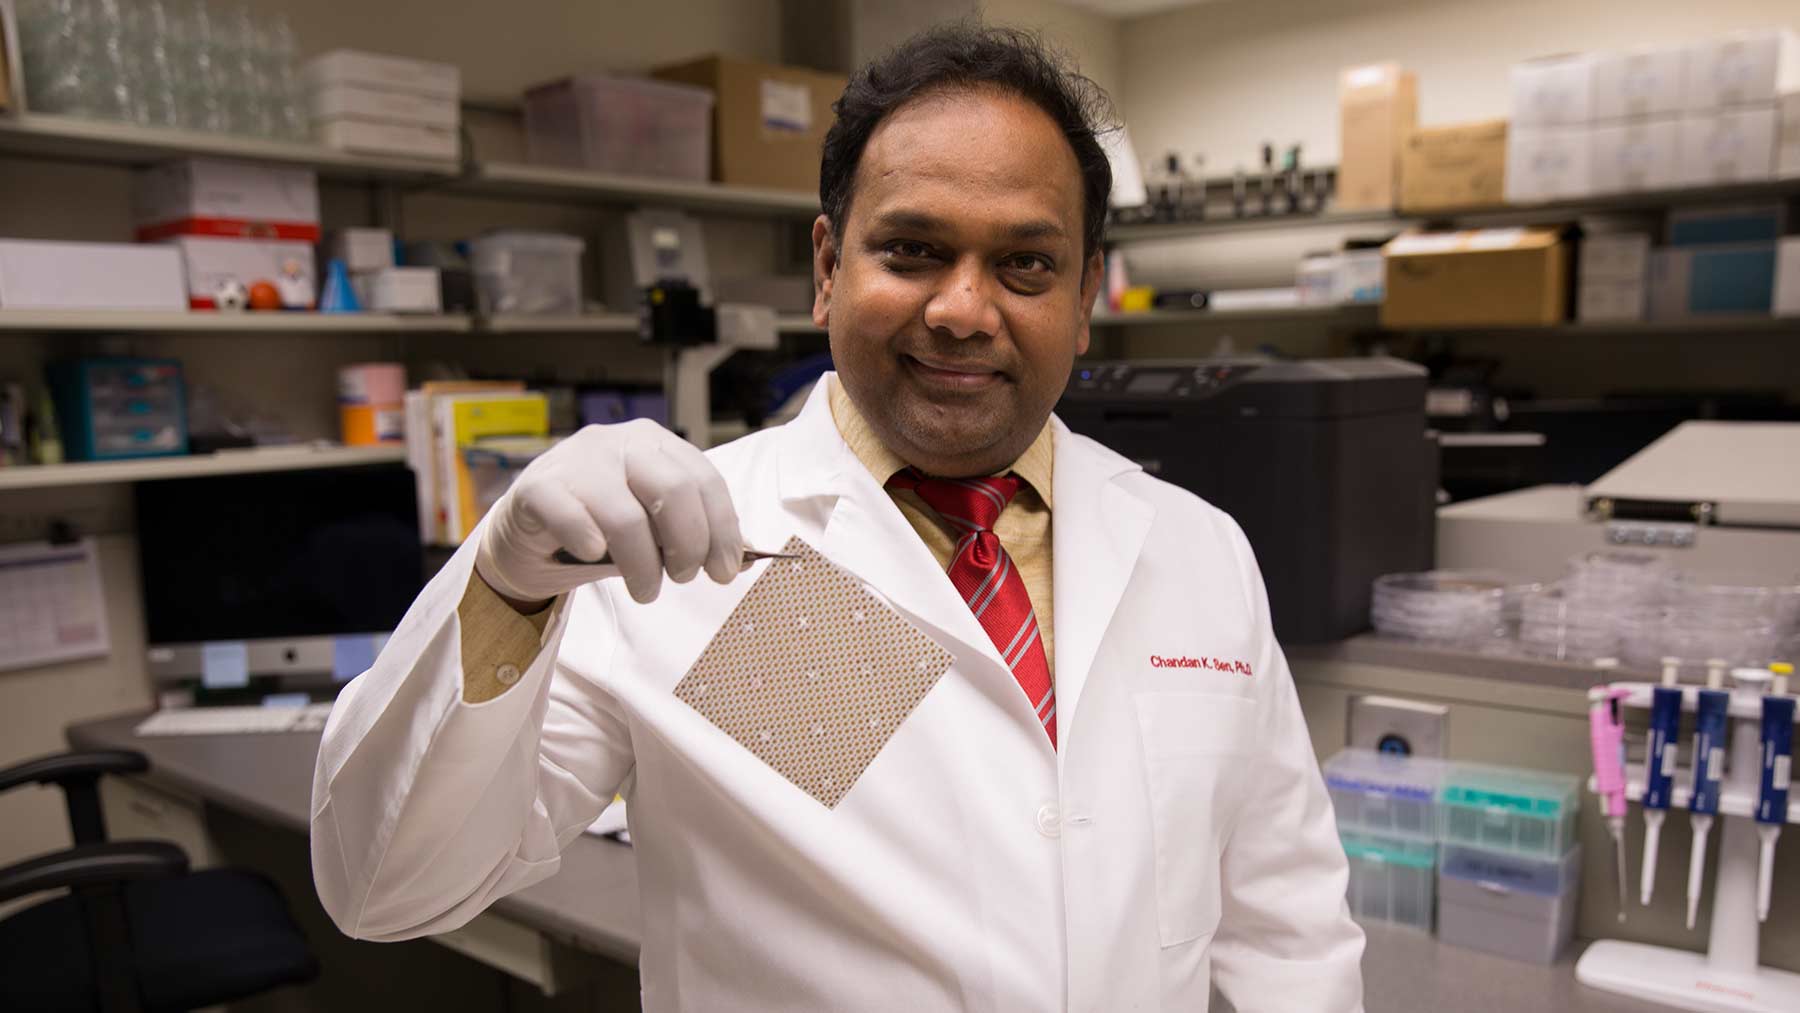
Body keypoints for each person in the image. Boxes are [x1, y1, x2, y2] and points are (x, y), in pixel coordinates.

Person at [312, 22, 1364, 1012]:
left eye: (1026, 263)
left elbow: (1289, 931)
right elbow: (389, 887)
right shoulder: (688, 558)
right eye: (910, 250)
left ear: (1087, 293)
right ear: (827, 268)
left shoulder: (1193, 548)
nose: (961, 308)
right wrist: (503, 584)